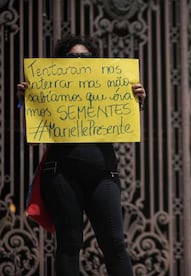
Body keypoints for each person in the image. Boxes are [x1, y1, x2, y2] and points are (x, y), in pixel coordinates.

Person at [17, 35, 145, 276]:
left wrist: (135, 103)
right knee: (69, 244)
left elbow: (127, 131)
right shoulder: (51, 89)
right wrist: (28, 103)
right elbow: (33, 140)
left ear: (93, 61)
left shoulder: (107, 87)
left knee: (115, 244)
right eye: (72, 56)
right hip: (61, 174)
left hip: (103, 174)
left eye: (84, 56)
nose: (78, 60)